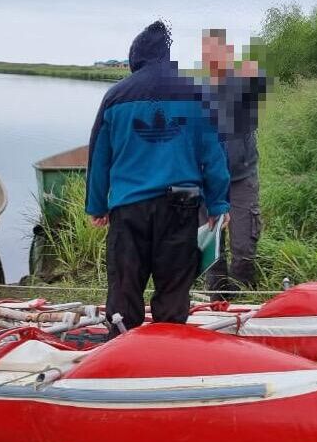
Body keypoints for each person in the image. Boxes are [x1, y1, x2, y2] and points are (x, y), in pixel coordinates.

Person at [86, 20, 231, 336]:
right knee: (174, 287)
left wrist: (97, 206)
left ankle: (122, 349)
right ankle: (168, 352)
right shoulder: (198, 95)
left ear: (135, 58)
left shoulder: (115, 96)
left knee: (125, 286)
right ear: (167, 56)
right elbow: (214, 157)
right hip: (181, 206)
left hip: (129, 208)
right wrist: (218, 204)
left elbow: (99, 157)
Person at [199, 28, 268, 296]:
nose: (211, 56)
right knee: (212, 247)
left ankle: (244, 299)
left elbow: (259, 85)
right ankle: (216, 301)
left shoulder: (243, 82)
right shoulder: (200, 92)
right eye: (207, 51)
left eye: (216, 50)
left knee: (243, 249)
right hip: (209, 181)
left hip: (241, 178)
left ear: (228, 53)